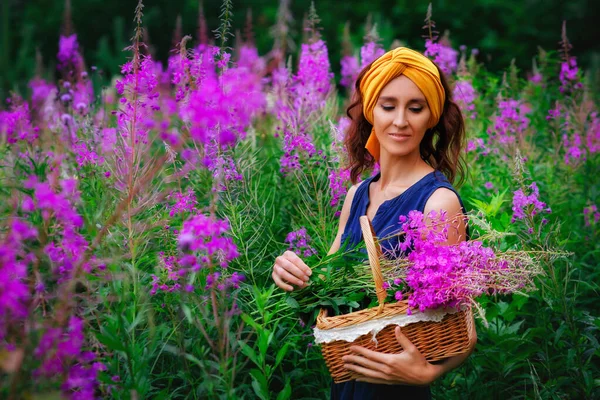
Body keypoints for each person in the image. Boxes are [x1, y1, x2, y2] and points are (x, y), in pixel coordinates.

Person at [272, 47, 478, 400]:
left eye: (416, 108)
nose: (400, 121)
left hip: (395, 390)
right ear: (371, 111)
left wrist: (428, 372)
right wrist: (294, 276)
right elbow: (329, 292)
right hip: (349, 379)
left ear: (432, 116)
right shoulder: (356, 196)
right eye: (388, 106)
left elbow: (463, 325)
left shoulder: (437, 202)